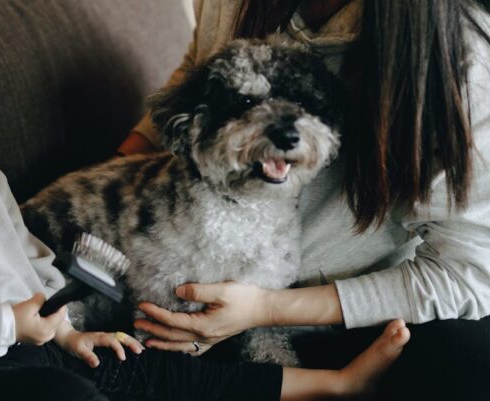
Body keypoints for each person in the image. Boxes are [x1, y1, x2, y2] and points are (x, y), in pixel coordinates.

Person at [0, 0, 414, 400]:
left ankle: (331, 385)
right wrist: (7, 323)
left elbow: (18, 243)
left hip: (32, 339)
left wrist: (67, 327)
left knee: (145, 367)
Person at [120, 0, 490, 399]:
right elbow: (197, 72)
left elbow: (467, 273)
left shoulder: (463, 64)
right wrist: (111, 177)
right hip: (197, 279)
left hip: (351, 312)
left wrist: (264, 309)